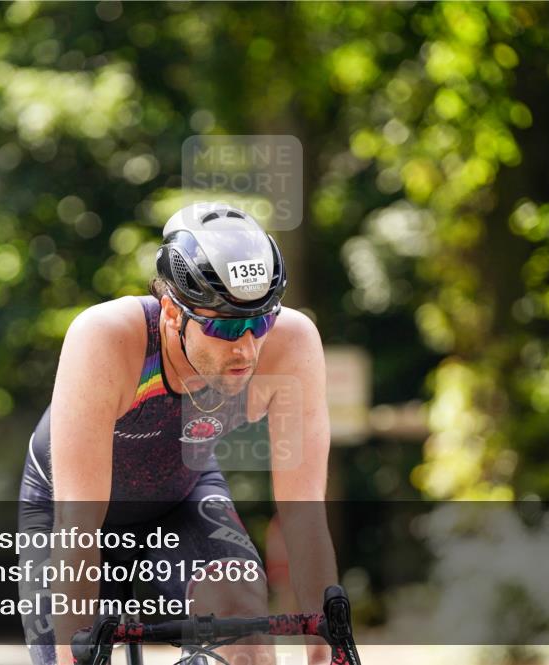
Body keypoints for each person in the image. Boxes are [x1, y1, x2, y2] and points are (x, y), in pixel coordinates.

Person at [18, 202, 338, 665]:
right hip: (67, 516)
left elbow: (304, 516)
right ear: (171, 311)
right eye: (226, 326)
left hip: (180, 498)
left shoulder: (293, 344)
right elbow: (78, 526)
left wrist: (321, 650)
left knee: (244, 626)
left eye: (261, 320)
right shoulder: (107, 338)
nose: (247, 347)